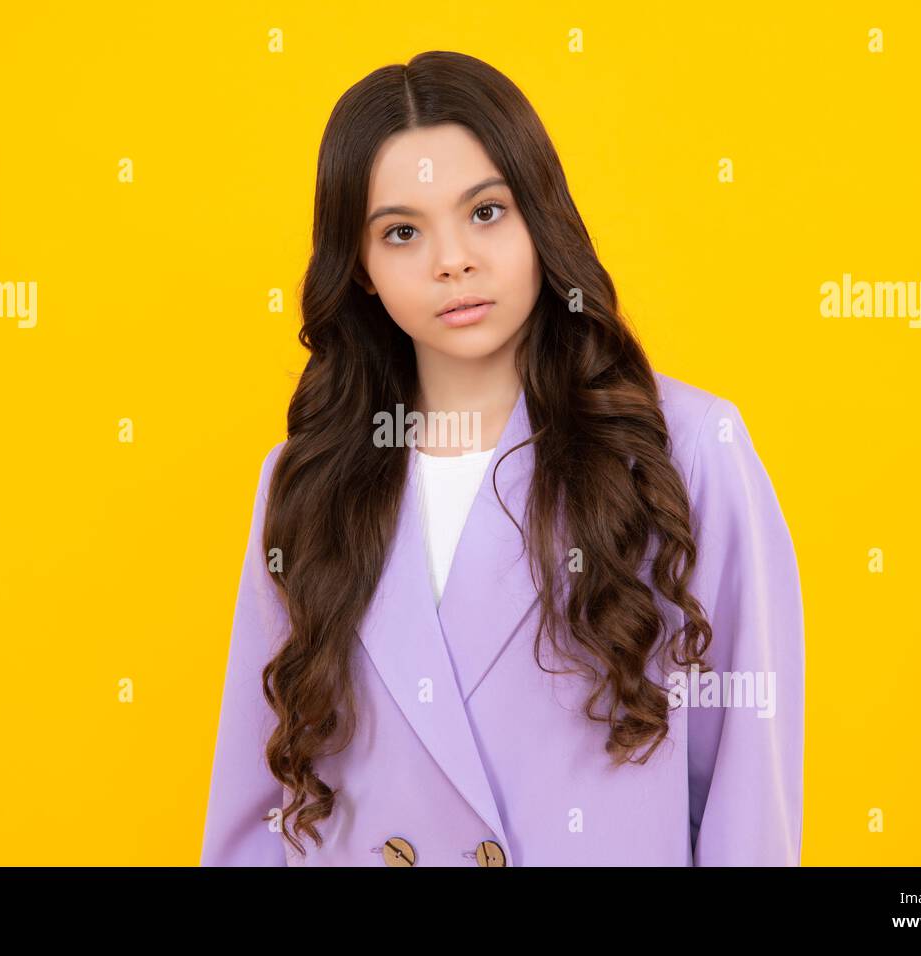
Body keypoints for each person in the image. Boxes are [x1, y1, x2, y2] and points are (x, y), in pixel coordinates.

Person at [200, 50, 804, 867]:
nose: (452, 260)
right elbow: (256, 804)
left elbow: (745, 796)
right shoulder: (305, 480)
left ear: (539, 218)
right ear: (364, 269)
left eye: (485, 212)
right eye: (403, 231)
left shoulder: (684, 450)